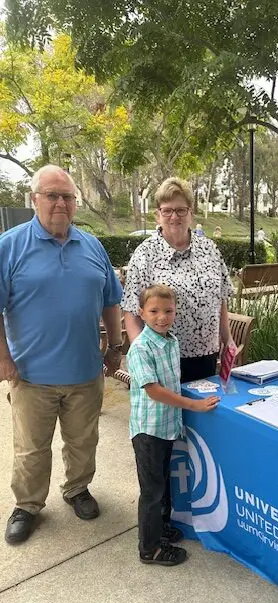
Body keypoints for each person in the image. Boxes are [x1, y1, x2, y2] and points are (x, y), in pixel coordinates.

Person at [0, 164, 124, 544]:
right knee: (31, 448)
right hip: (31, 374)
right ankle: (27, 505)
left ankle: (77, 489)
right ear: (34, 199)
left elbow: (111, 300)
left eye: (68, 197)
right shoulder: (10, 245)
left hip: (85, 372)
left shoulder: (92, 246)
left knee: (83, 441)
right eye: (52, 195)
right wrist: (4, 359)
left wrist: (115, 346)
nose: (61, 203)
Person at [127, 284, 219, 566]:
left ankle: (161, 527)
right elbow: (153, 390)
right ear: (141, 313)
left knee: (162, 484)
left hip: (167, 427)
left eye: (168, 311)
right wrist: (193, 405)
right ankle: (150, 548)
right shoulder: (141, 348)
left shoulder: (171, 340)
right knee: (152, 491)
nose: (162, 317)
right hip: (149, 430)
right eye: (154, 311)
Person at [121, 177, 235, 383]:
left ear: (191, 213)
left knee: (204, 412)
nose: (174, 216)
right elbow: (131, 310)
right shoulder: (145, 254)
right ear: (158, 215)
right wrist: (141, 356)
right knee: (169, 414)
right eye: (167, 210)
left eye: (181, 210)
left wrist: (228, 340)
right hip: (161, 360)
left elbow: (221, 299)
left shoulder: (209, 249)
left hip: (207, 356)